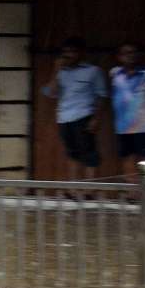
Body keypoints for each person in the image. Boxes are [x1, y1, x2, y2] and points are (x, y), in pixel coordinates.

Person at [41, 36, 108, 181]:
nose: (68, 55)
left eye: (73, 51)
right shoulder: (61, 72)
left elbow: (102, 95)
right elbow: (51, 92)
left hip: (84, 115)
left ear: (81, 53)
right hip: (64, 117)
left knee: (89, 152)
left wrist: (96, 118)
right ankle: (74, 186)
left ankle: (89, 189)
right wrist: (56, 70)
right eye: (65, 52)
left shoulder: (93, 71)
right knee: (71, 152)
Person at [110, 42, 145, 179]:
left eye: (133, 52)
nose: (130, 56)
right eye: (126, 53)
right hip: (123, 127)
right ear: (119, 57)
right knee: (127, 158)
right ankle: (132, 194)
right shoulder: (116, 75)